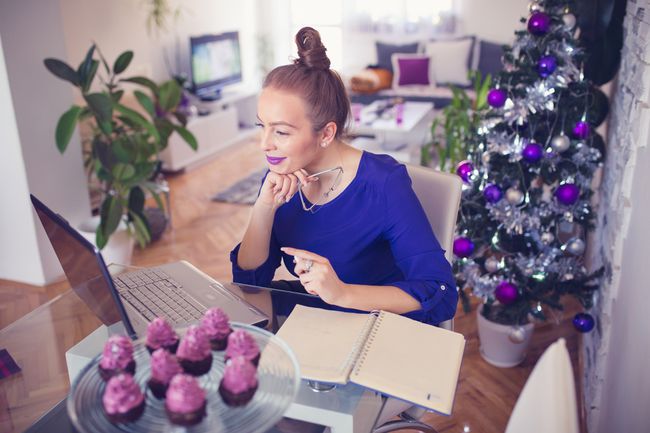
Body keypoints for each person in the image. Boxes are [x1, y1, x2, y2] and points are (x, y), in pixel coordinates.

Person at [230, 27, 456, 326]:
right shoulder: (281, 174)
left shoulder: (384, 183)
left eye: (281, 131)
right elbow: (250, 281)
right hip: (318, 318)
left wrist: (343, 294)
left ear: (326, 133)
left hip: (377, 324)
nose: (265, 144)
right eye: (263, 126)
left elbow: (440, 292)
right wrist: (264, 207)